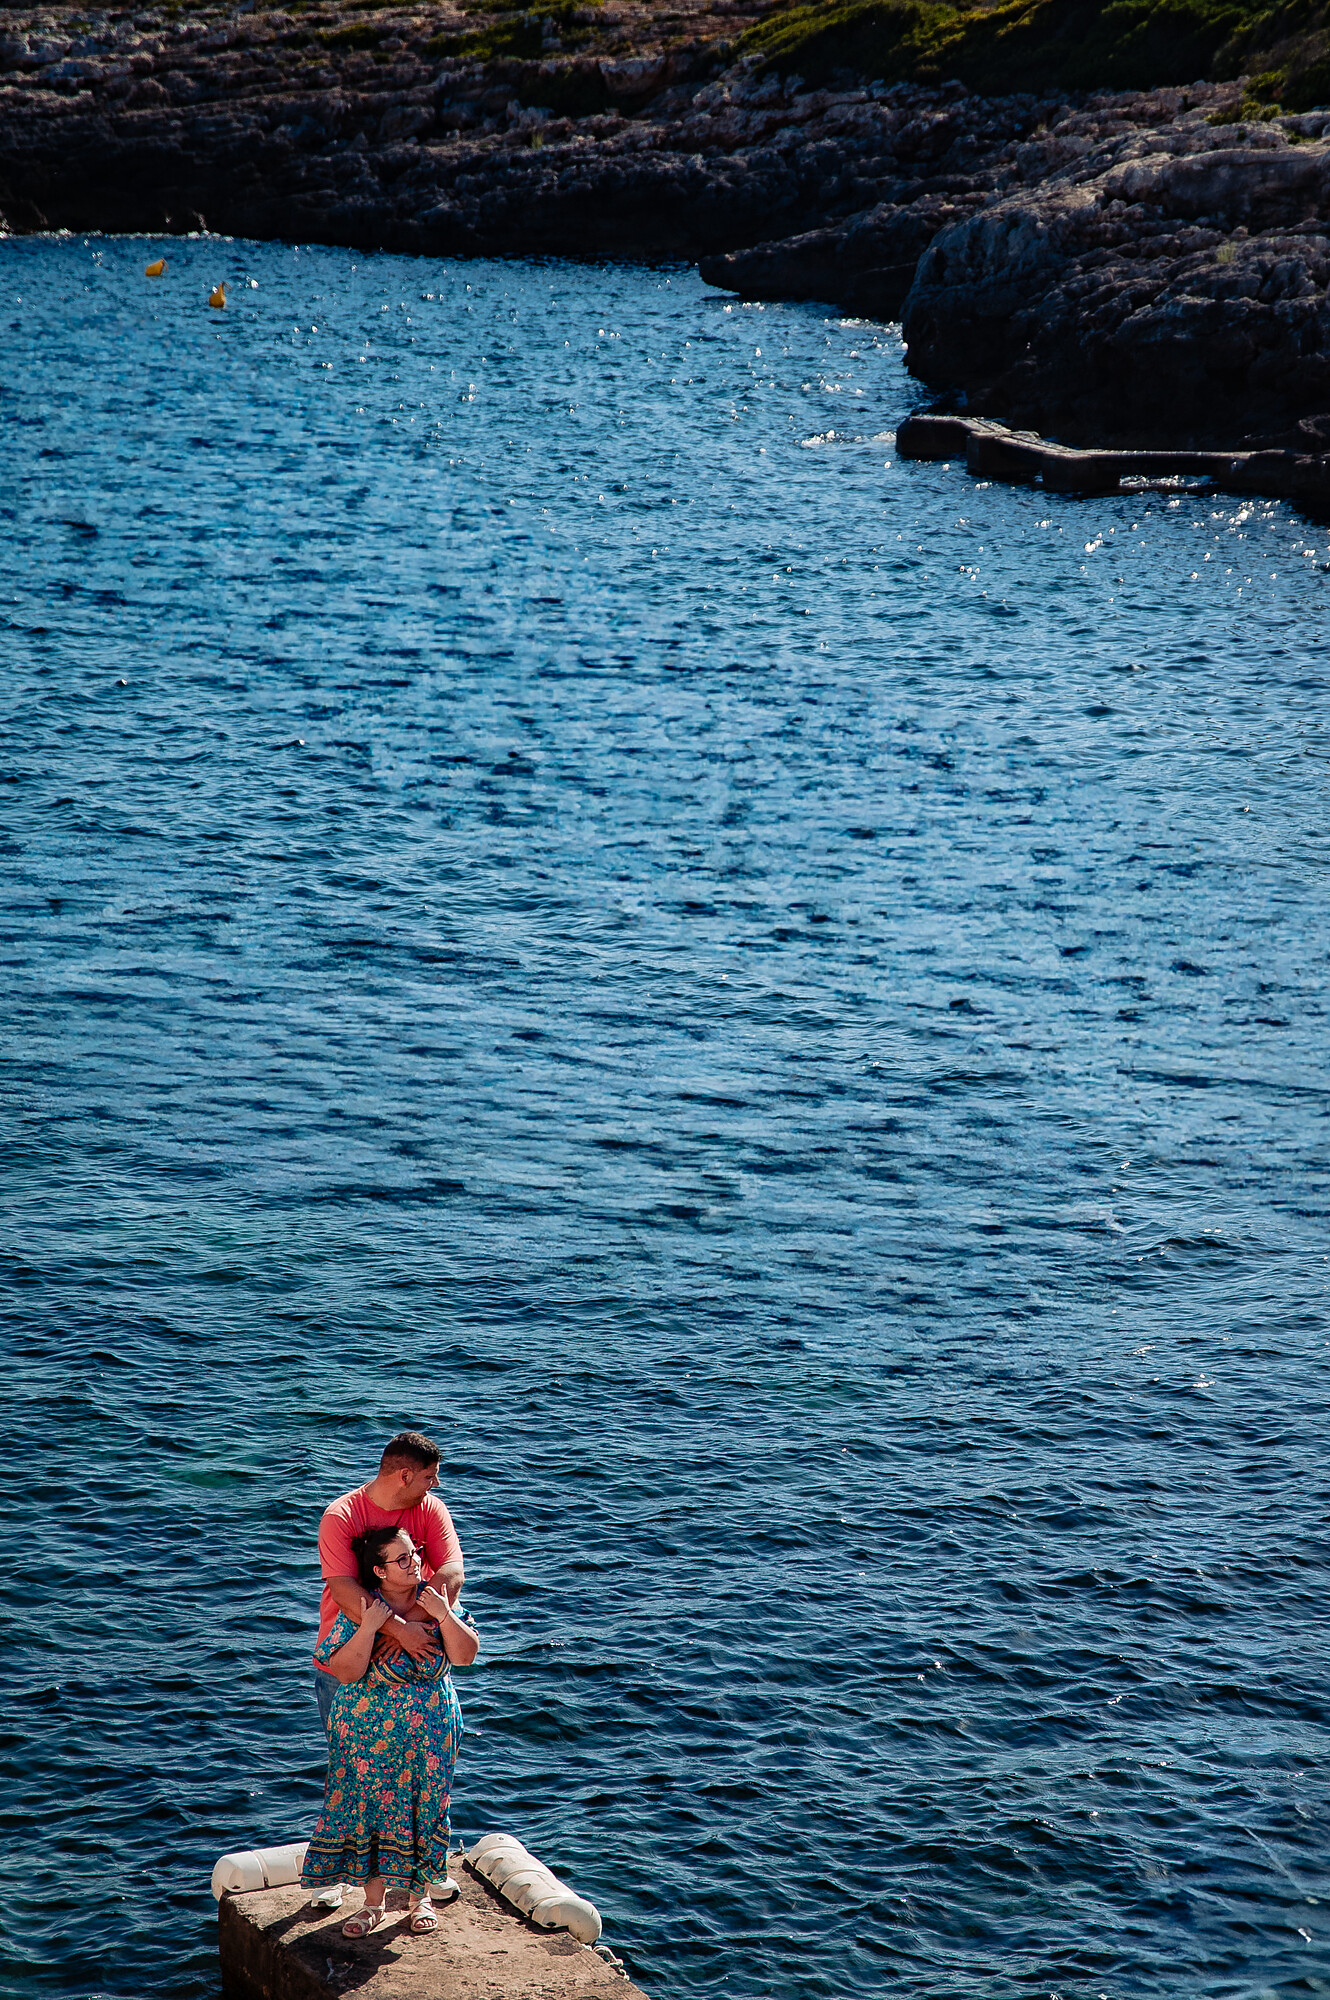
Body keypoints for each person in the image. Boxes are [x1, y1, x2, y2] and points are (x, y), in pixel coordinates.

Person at [301, 1524, 479, 1935]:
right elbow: (344, 1671)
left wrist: (444, 1614)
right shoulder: (365, 1609)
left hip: (430, 1734)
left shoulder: (435, 1600)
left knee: (426, 1807)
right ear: (379, 1571)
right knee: (371, 1811)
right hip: (367, 1735)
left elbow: (466, 1655)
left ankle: (420, 1899)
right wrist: (370, 1627)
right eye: (402, 1559)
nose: (414, 1562)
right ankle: (372, 1904)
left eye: (414, 1553)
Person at [314, 1431, 465, 1738]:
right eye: (429, 1477)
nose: (436, 1484)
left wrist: (408, 1629)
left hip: (415, 1659)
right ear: (404, 1476)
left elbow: (452, 1573)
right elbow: (343, 1590)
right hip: (350, 1657)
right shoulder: (341, 1516)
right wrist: (398, 1631)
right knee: (350, 1759)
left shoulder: (431, 1509)